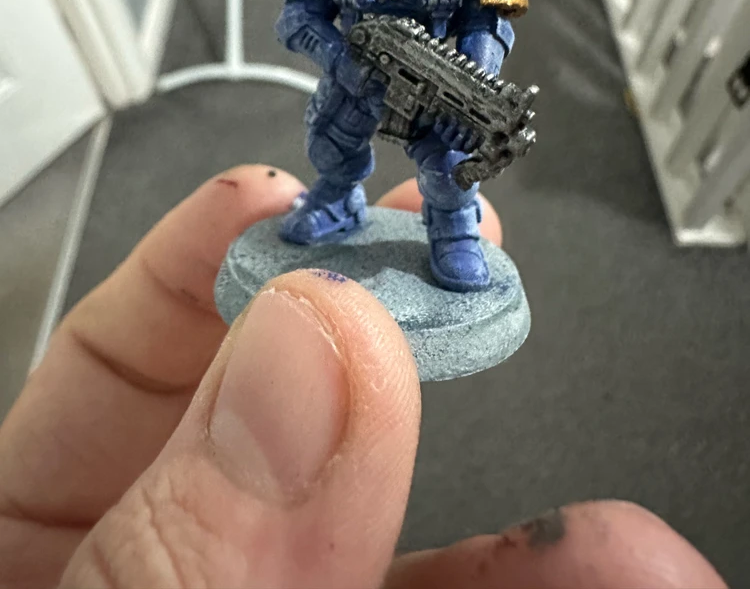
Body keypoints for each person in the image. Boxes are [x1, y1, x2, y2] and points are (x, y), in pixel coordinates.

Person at [0, 165, 726, 588]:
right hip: (356, 82)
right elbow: (302, 15)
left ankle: (451, 239)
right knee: (335, 144)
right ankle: (334, 205)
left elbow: (493, 21)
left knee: (448, 175)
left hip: (438, 100)